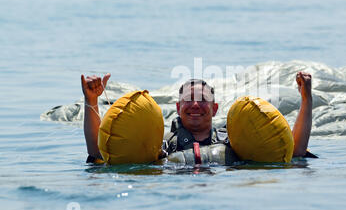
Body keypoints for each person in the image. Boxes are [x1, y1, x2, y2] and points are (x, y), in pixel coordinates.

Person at [81, 71, 316, 164]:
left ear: (213, 109)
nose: (195, 105)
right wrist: (91, 101)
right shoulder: (161, 143)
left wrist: (307, 99)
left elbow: (292, 152)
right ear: (178, 107)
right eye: (188, 100)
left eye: (202, 100)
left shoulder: (234, 140)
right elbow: (98, 153)